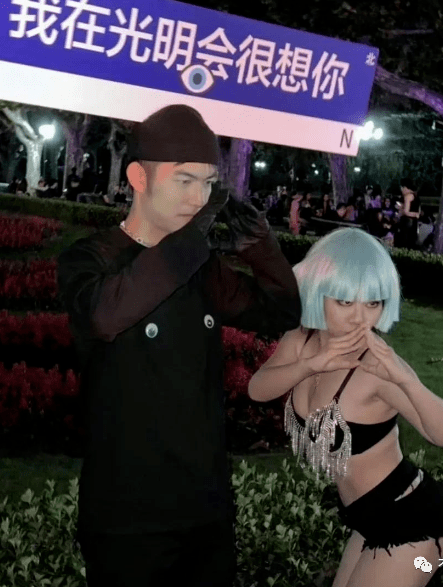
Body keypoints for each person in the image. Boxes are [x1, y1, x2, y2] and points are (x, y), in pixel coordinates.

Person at [57, 104, 301, 587]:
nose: (199, 197)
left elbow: (280, 314)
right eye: (185, 180)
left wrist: (262, 249)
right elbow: (106, 315)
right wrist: (191, 241)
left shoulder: (200, 268)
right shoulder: (90, 259)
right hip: (127, 516)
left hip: (204, 510)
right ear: (138, 177)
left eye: (208, 184)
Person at [249, 228, 443, 587]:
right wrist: (311, 365)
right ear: (318, 292)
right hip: (366, 521)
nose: (360, 318)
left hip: (413, 522)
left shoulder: (377, 368)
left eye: (373, 303)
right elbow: (258, 389)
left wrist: (407, 380)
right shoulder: (301, 340)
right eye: (345, 302)